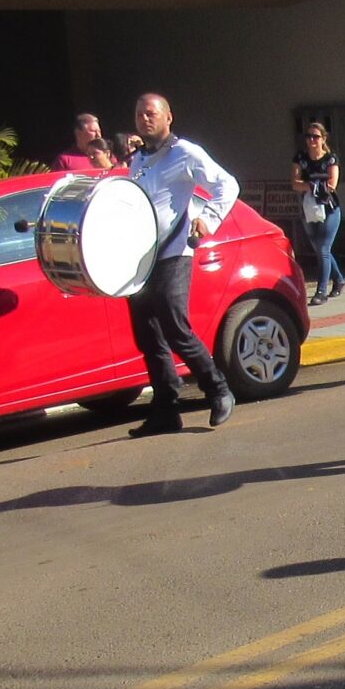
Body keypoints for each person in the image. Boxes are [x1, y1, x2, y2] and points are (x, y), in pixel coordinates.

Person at [122, 92, 238, 436]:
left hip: (174, 254)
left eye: (152, 113)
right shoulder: (138, 159)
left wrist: (208, 220)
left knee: (175, 327)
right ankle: (165, 411)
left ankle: (217, 389)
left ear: (168, 117)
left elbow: (227, 185)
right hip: (141, 262)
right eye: (140, 113)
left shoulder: (185, 152)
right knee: (148, 336)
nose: (145, 118)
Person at [291, 121, 345, 305]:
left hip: (329, 209)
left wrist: (310, 186)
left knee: (323, 248)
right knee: (319, 248)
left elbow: (331, 185)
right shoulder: (301, 158)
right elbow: (295, 183)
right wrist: (313, 186)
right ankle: (338, 279)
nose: (312, 140)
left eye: (316, 136)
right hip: (309, 209)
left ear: (323, 139)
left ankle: (321, 291)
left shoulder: (330, 159)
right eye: (309, 136)